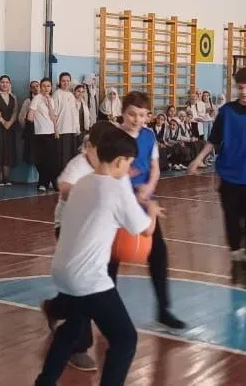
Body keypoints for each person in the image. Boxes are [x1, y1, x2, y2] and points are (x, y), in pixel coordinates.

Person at [35, 126, 161, 386]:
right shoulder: (115, 190)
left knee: (72, 327)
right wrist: (152, 209)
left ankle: (44, 382)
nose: (130, 168)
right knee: (125, 339)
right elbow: (145, 229)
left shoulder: (83, 183)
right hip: (88, 277)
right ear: (119, 161)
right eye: (129, 162)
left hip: (63, 270)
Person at [42, 121, 123, 373]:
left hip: (96, 230)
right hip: (70, 230)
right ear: (89, 147)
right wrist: (88, 192)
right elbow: (64, 187)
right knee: (83, 285)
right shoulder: (78, 166)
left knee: (87, 284)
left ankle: (55, 307)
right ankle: (78, 346)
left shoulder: (112, 164)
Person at [188, 67, 246, 271]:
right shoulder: (226, 111)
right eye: (240, 88)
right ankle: (235, 251)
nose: (244, 92)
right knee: (231, 216)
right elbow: (213, 139)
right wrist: (198, 158)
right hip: (229, 172)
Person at [107, 91, 187, 330]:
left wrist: (149, 187)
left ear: (148, 116)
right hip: (117, 202)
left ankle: (164, 309)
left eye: (142, 115)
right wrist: (124, 181)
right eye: (132, 114)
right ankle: (105, 310)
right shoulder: (112, 136)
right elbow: (105, 170)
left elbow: (155, 168)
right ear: (123, 113)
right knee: (111, 257)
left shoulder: (149, 136)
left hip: (143, 201)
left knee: (158, 252)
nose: (137, 119)